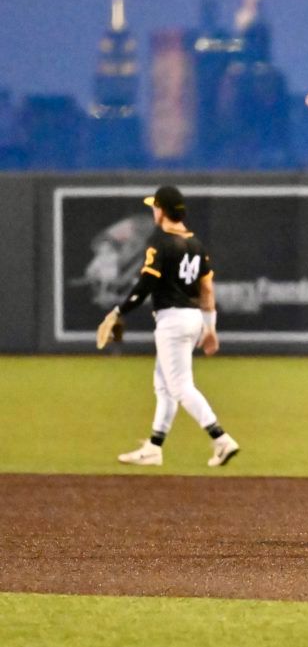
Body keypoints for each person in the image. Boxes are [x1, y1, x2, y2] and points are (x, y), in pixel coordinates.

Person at [96, 185, 240, 466]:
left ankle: (221, 440)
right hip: (193, 319)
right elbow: (207, 290)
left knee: (181, 387)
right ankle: (154, 447)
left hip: (172, 322)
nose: (153, 210)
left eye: (155, 206)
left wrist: (118, 311)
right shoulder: (197, 245)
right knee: (163, 385)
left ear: (162, 210)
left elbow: (146, 283)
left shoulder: (160, 243)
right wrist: (210, 328)